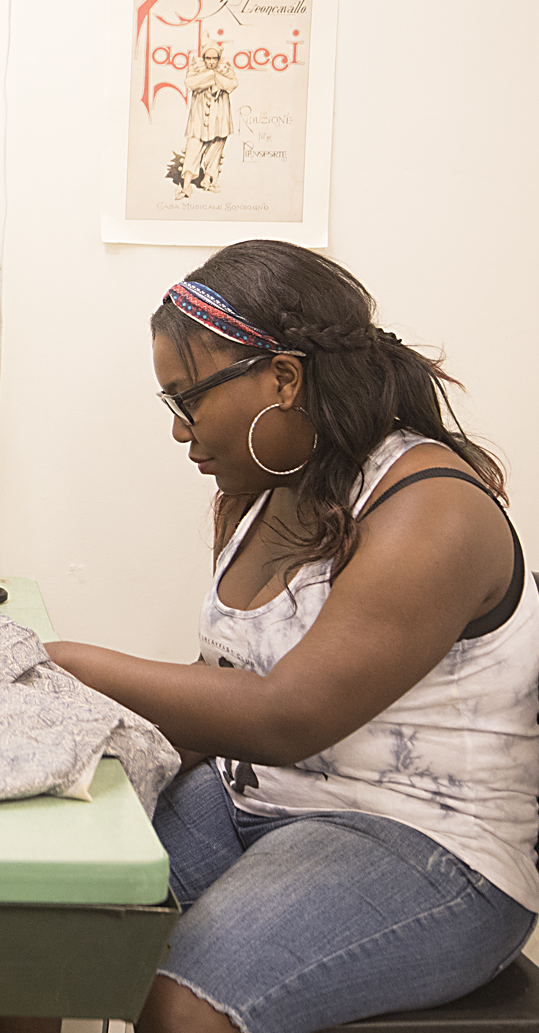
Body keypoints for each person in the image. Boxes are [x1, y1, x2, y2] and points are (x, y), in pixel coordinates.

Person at [42, 240, 538, 1033]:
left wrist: (61, 663)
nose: (180, 432)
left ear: (282, 378)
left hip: (429, 844)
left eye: (187, 398)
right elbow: (219, 693)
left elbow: (286, 713)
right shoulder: (270, 493)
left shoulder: (434, 511)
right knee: (31, 919)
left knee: (178, 1007)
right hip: (259, 800)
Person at [176, 45, 238, 200]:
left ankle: (208, 179)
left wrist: (213, 78)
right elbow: (190, 83)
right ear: (203, 59)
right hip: (198, 117)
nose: (211, 62)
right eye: (208, 58)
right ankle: (186, 185)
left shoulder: (226, 69)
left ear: (218, 58)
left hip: (220, 116)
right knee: (193, 146)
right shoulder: (196, 69)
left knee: (217, 146)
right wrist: (212, 76)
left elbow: (231, 84)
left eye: (214, 58)